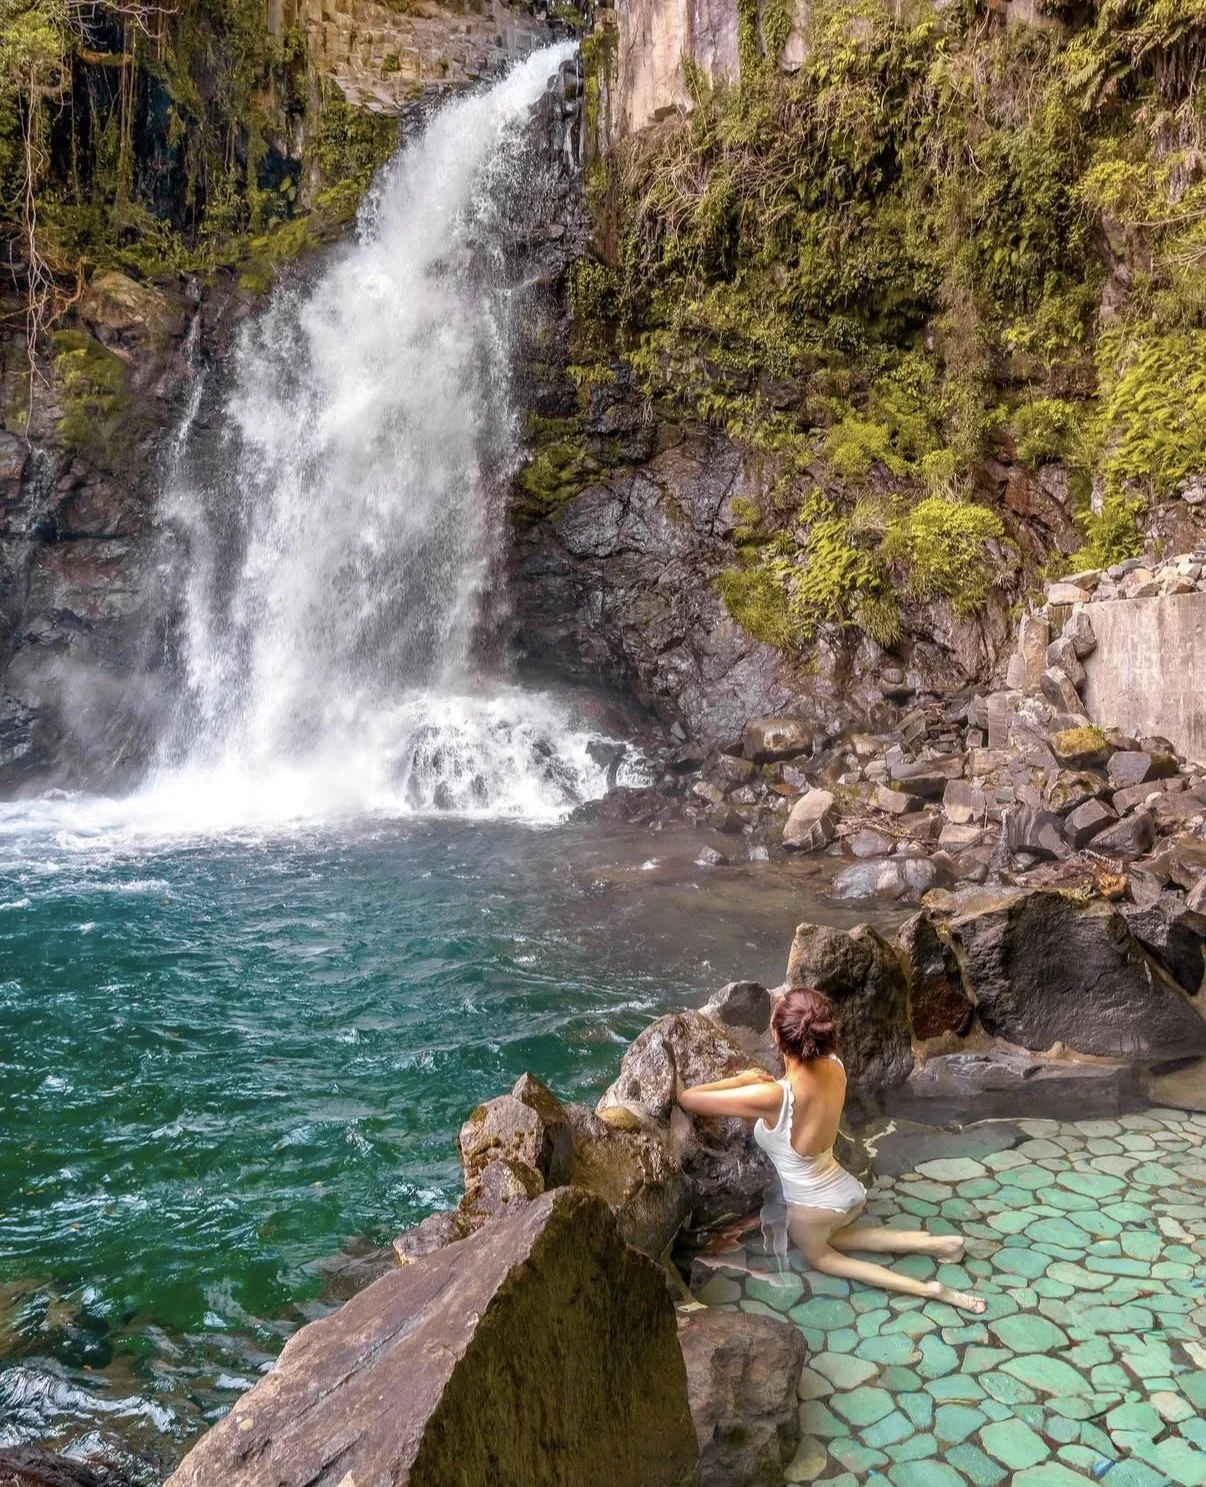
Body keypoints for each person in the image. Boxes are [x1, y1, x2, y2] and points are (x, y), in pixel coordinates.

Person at [676, 986, 985, 1314]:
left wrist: (739, 1081)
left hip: (812, 1210)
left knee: (821, 1258)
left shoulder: (773, 1097)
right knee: (836, 1238)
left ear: (778, 1038)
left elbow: (688, 1099)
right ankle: (941, 1244)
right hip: (847, 1194)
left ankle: (929, 1289)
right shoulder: (835, 1065)